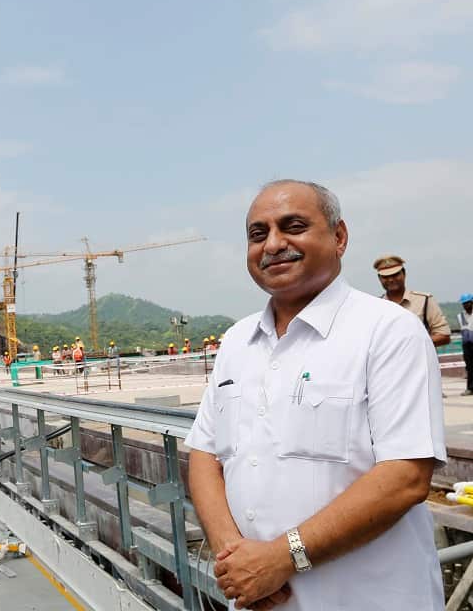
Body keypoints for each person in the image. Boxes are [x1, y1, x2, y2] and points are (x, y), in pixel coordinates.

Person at [185, 179, 445, 611]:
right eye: (258, 234)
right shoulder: (236, 341)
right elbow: (203, 454)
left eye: (293, 226)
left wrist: (281, 558)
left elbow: (405, 477)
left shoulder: (386, 331)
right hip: (257, 599)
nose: (273, 244)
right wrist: (235, 556)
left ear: (339, 237)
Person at [374, 255, 452, 347]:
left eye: (395, 275)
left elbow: (444, 336)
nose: (391, 279)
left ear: (404, 274)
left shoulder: (424, 300)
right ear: (379, 278)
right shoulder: (376, 306)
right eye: (385, 276)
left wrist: (410, 345)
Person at [459, 294, 473, 396]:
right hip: (467, 345)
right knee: (469, 367)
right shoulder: (461, 316)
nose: (465, 305)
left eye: (467, 303)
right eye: (464, 303)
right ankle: (470, 388)